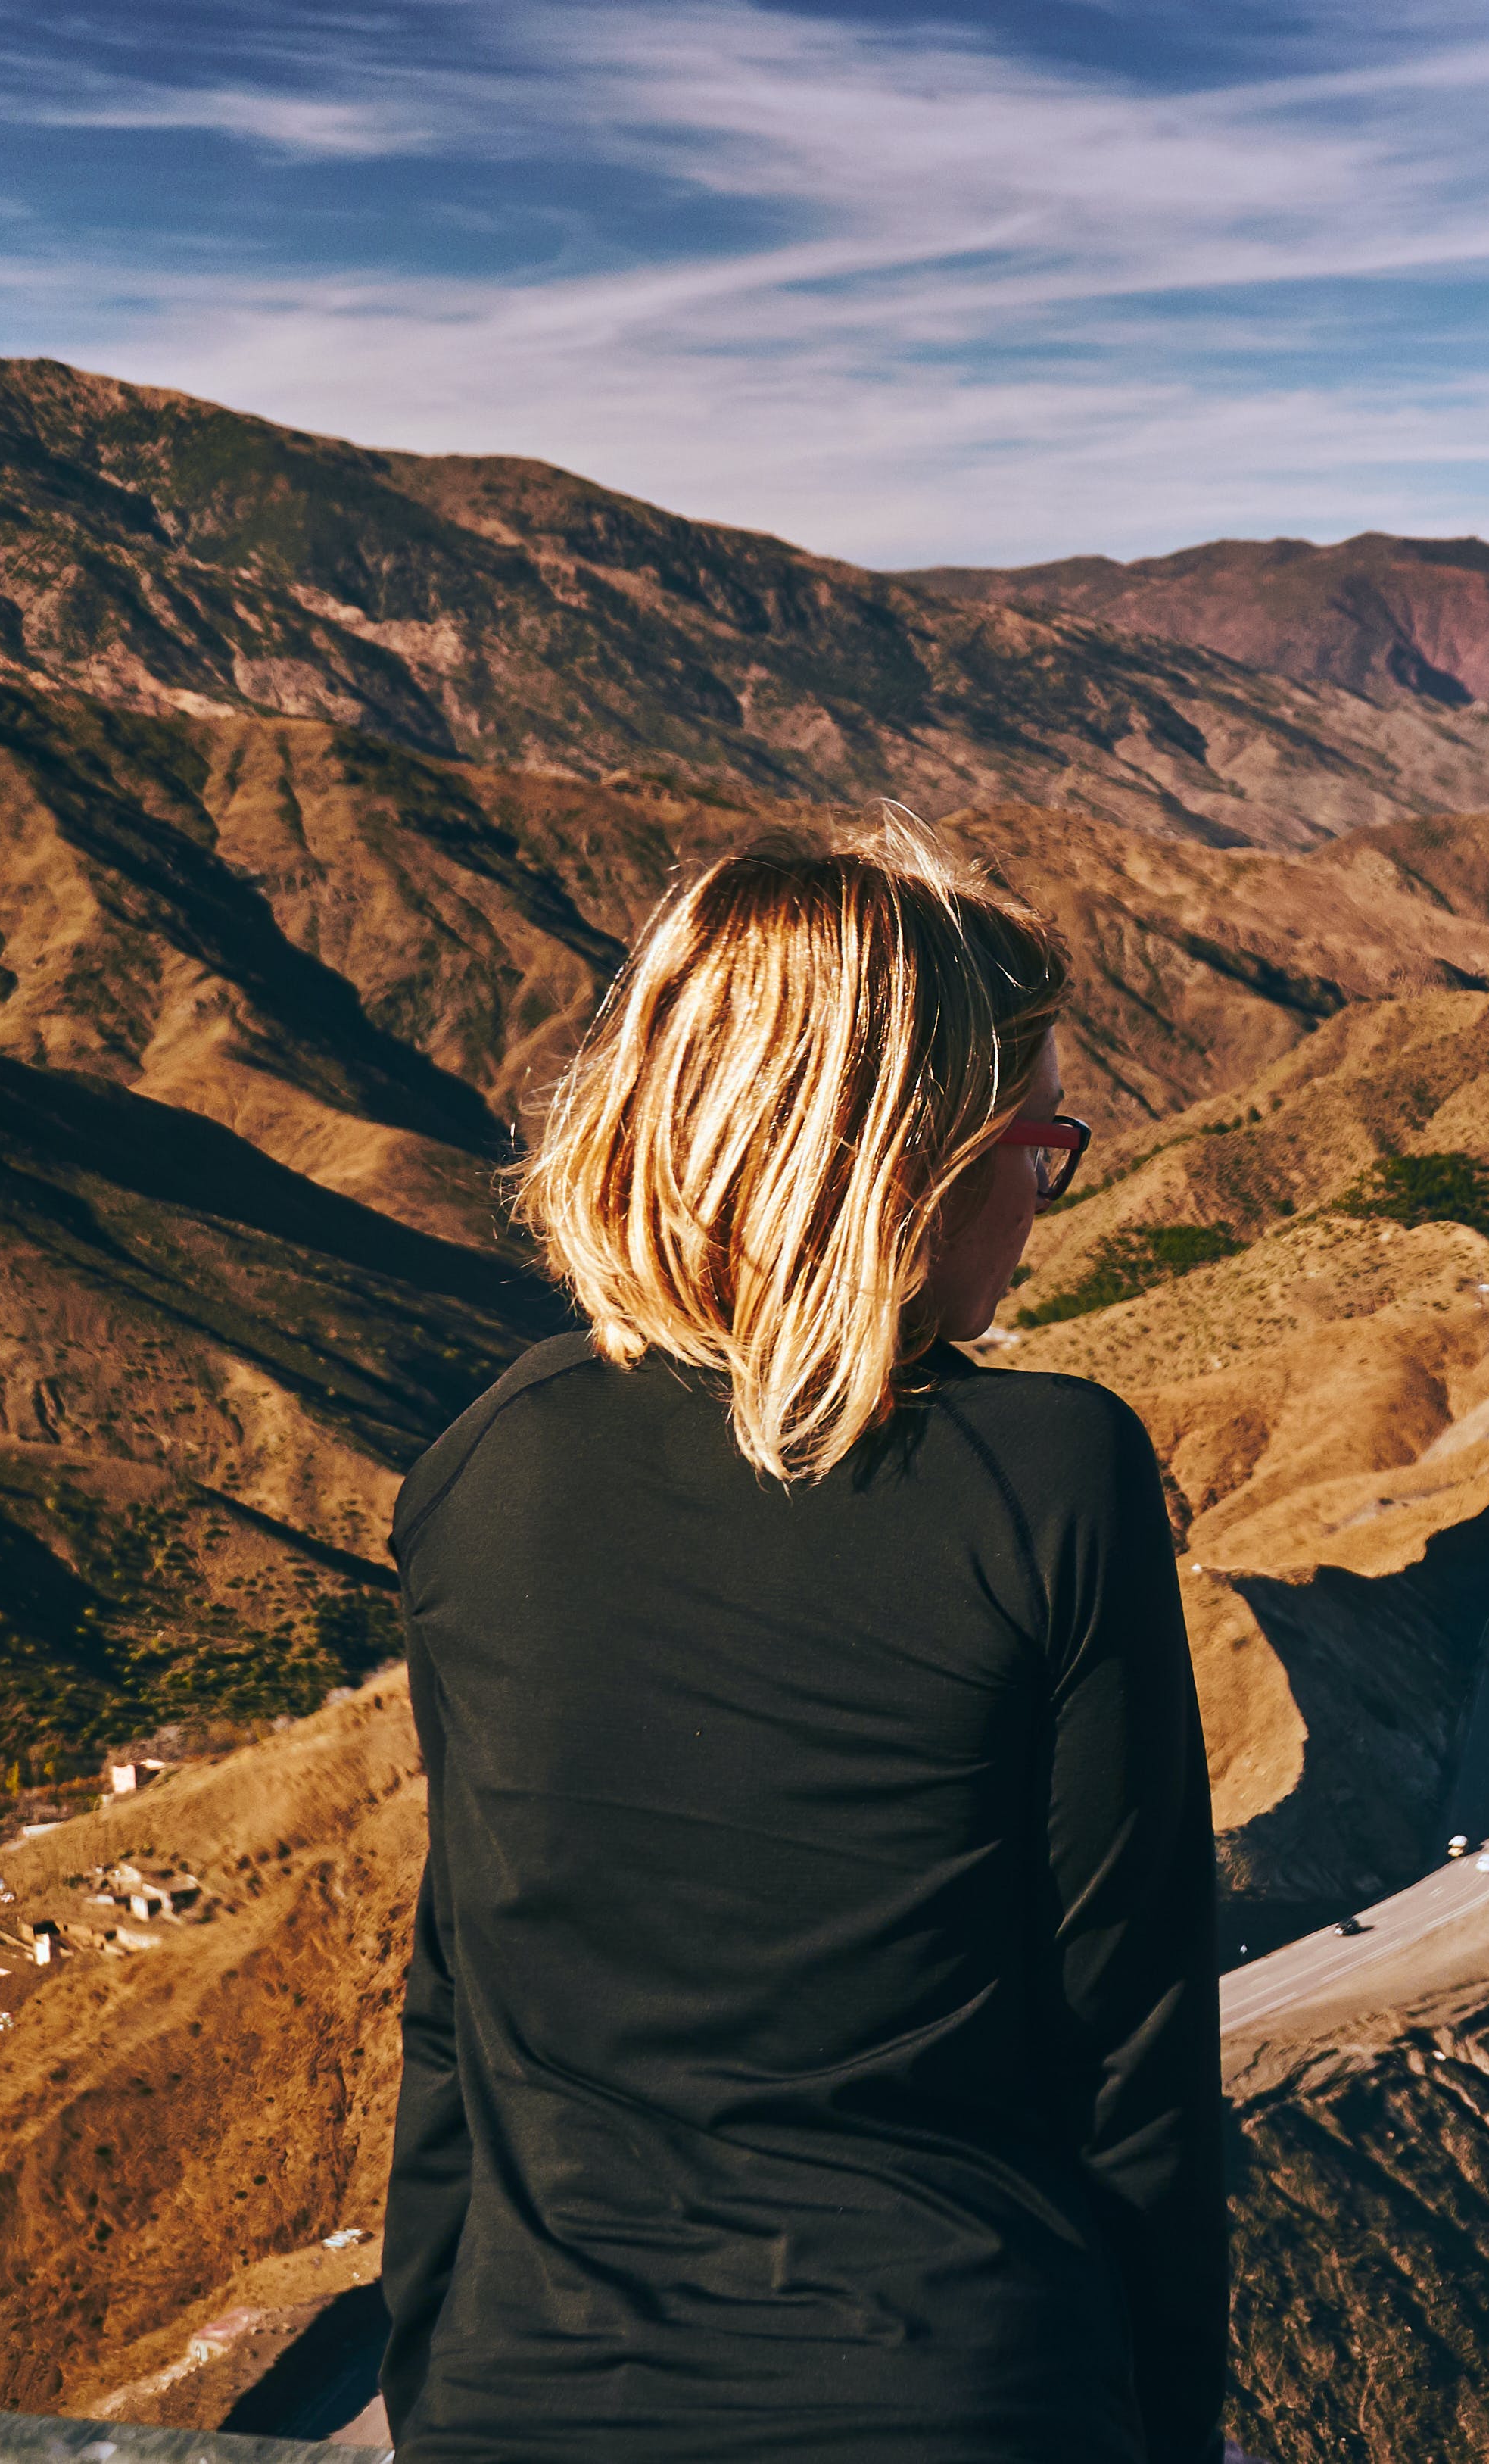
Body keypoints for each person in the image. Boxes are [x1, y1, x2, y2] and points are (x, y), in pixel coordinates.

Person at [378, 816, 1224, 2462]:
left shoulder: (482, 1466)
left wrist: (444, 2394)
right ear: (901, 1164)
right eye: (1034, 1145)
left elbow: (457, 2009)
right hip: (955, 2394)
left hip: (526, 2403)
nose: (1040, 1204)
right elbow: (1130, 2055)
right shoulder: (1052, 1476)